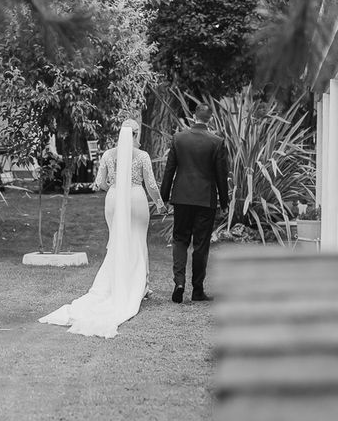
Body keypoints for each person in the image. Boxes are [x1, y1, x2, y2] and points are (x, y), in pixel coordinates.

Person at [39, 119, 165, 338]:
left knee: (117, 240)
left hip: (114, 199)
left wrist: (116, 187)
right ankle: (141, 285)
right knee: (137, 240)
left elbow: (100, 183)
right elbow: (151, 184)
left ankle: (119, 282)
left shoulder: (108, 155)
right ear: (135, 134)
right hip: (136, 198)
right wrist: (160, 203)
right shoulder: (142, 156)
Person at [160, 104, 229, 304]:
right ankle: (197, 290)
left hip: (181, 197)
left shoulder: (179, 139)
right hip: (205, 200)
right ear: (210, 120)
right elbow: (221, 176)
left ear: (193, 117)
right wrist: (224, 201)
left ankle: (179, 282)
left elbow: (169, 170)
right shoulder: (217, 142)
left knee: (180, 239)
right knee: (201, 245)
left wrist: (164, 196)